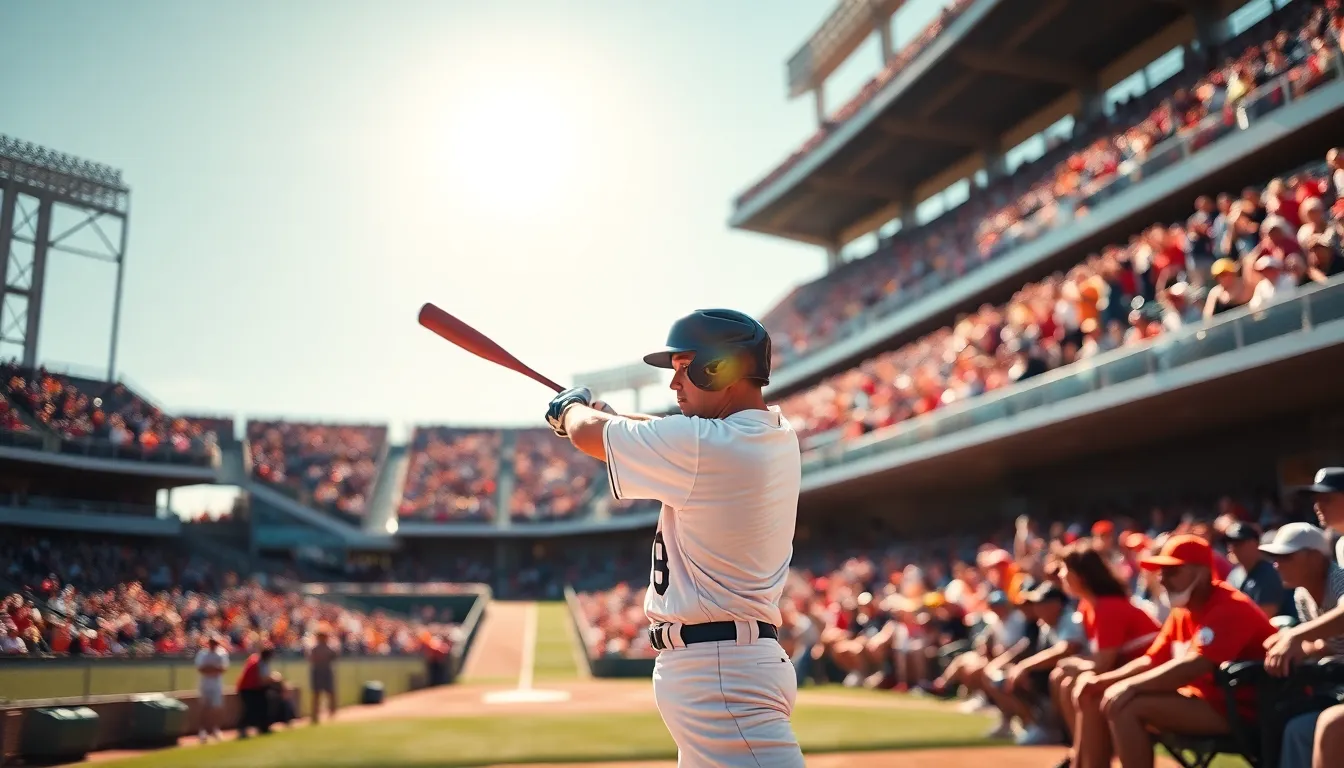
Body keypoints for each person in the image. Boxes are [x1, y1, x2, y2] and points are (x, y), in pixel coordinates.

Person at [546, 308, 803, 767]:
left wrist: (572, 411)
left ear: (719, 368)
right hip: (728, 666)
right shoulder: (772, 435)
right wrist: (607, 414)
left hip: (721, 674)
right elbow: (674, 434)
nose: (674, 383)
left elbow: (591, 436)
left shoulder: (706, 447)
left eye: (685, 367)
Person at [1070, 535, 1275, 768]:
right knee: (1096, 694)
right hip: (1205, 701)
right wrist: (1104, 681)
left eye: (1172, 571)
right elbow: (1151, 660)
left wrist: (1130, 686)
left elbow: (1194, 666)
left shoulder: (1230, 606)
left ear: (1202, 572)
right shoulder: (1183, 610)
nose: (1162, 579)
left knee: (1127, 707)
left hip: (1240, 710)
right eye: (1161, 571)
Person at [1051, 541, 1161, 768]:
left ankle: (1090, 763)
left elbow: (1103, 664)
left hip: (1152, 675)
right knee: (1068, 680)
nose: (1061, 575)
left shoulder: (1108, 606)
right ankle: (1080, 759)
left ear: (1081, 576)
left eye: (1065, 570)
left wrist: (1073, 664)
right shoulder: (1088, 606)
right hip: (1131, 673)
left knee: (1088, 690)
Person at [1264, 470, 1344, 768]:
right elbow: (1328, 642)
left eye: (1327, 498)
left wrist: (1296, 636)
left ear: (1312, 556)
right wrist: (1295, 646)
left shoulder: (1337, 575)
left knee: (1330, 725)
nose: (1317, 505)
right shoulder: (1340, 544)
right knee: (1295, 726)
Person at [1224, 521, 1292, 618]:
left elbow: (1265, 615)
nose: (1233, 548)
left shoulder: (1269, 574)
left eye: (1239, 543)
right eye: (1230, 543)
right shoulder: (1234, 575)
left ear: (1255, 543)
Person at [194, 634, 228, 742]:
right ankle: (202, 730)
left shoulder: (222, 653)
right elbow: (201, 669)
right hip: (205, 683)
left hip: (216, 684)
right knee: (204, 707)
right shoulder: (202, 654)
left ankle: (215, 729)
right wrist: (214, 669)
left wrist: (211, 668)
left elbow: (223, 668)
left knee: (216, 707)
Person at [307, 626, 339, 724]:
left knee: (330, 693)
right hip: (318, 672)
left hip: (325, 671)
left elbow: (335, 655)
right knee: (317, 694)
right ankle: (315, 715)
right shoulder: (315, 648)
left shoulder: (328, 647)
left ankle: (332, 713)